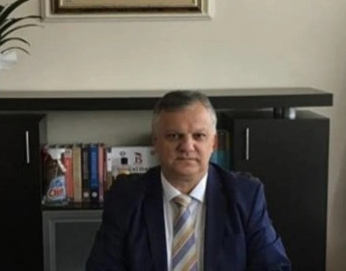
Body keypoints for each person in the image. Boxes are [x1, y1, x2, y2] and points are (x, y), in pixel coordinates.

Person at [86, 90, 291, 271]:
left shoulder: (245, 195)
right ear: (155, 143)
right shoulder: (126, 197)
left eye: (199, 136)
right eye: (174, 136)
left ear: (213, 143)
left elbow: (273, 266)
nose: (187, 146)